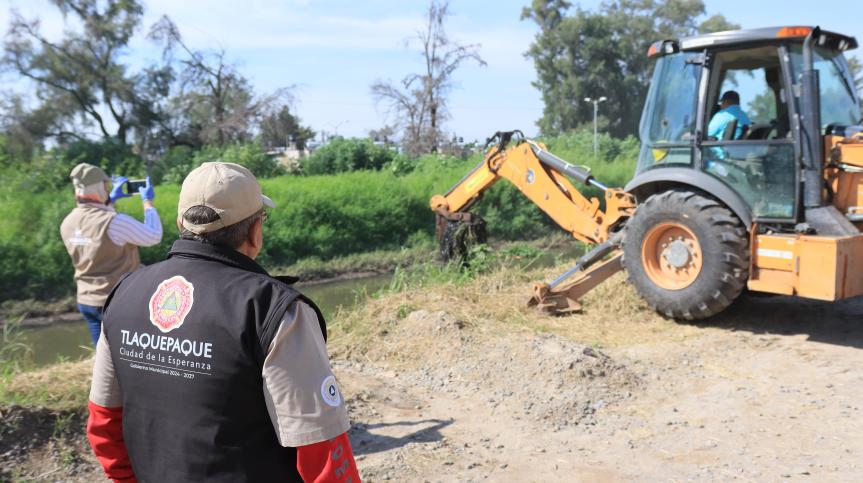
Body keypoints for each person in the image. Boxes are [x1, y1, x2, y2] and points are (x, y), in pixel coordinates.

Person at [86, 162, 359, 482]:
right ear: (256, 231)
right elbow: (321, 449)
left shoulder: (124, 294)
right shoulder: (273, 310)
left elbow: (103, 423)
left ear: (180, 223)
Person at [60, 163, 162, 345]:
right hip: (117, 301)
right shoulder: (114, 222)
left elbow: (92, 227)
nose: (108, 190)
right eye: (106, 187)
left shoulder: (67, 222)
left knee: (101, 358)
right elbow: (153, 236)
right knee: (128, 358)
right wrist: (148, 203)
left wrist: (110, 201)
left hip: (87, 301)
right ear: (100, 188)